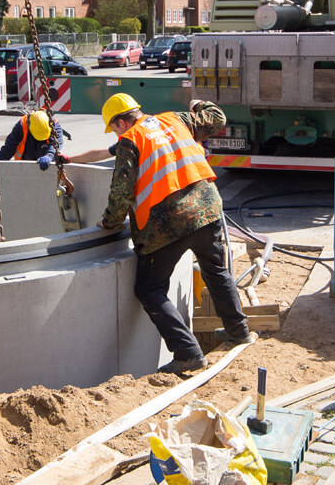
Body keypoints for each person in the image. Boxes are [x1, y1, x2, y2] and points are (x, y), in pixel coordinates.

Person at [96, 93, 253, 375]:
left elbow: (121, 193)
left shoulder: (129, 140)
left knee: (149, 289)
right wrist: (199, 104)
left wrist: (109, 222)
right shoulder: (174, 119)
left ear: (121, 122)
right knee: (215, 270)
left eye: (114, 127)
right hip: (207, 209)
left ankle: (188, 353)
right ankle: (238, 331)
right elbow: (218, 119)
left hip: (167, 223)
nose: (116, 133)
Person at [0, 110, 64, 170]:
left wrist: (49, 155)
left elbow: (56, 144)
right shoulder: (21, 126)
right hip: (26, 161)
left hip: (46, 160)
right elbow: (8, 149)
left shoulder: (53, 125)